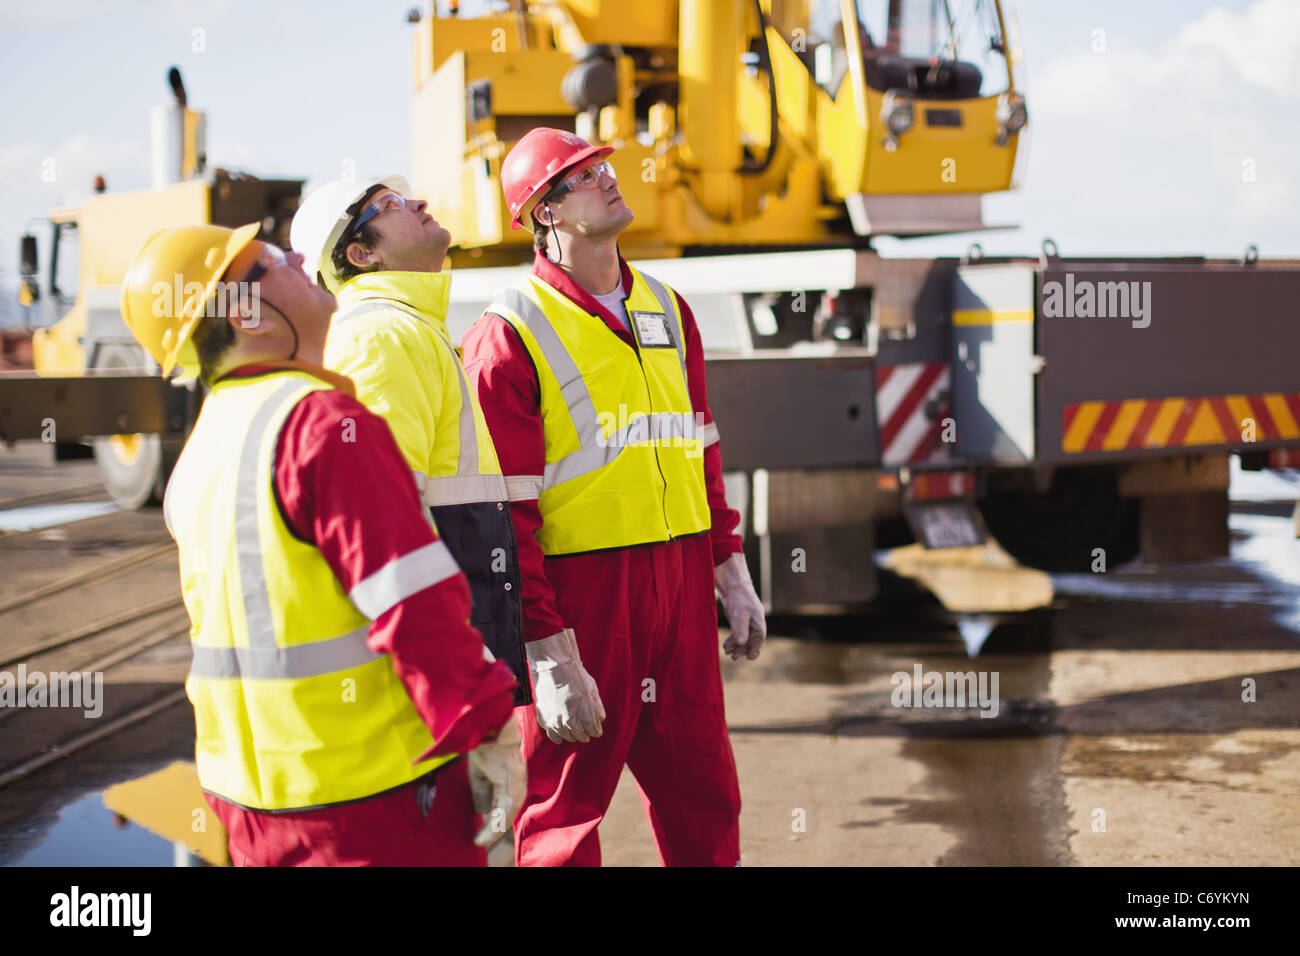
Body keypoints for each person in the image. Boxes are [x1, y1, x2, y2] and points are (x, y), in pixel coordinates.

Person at [119, 223, 523, 866]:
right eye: (272, 258)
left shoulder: (202, 452)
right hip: (371, 804)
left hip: (249, 807)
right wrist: (489, 727)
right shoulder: (319, 425)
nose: (302, 256)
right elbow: (412, 604)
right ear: (247, 314)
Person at [460, 128, 767, 867]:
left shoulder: (667, 306)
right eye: (581, 175)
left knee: (706, 797)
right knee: (562, 818)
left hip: (682, 585)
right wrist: (544, 648)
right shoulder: (509, 332)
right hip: (584, 600)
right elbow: (503, 512)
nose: (608, 179)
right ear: (545, 214)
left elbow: (699, 442)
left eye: (603, 167)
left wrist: (730, 566)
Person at [290, 176, 529, 704]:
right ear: (360, 253)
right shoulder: (382, 338)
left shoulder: (410, 329)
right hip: (438, 671)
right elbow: (384, 526)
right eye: (388, 206)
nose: (419, 202)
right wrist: (462, 667)